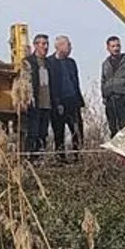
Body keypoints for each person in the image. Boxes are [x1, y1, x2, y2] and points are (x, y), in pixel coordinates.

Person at [49, 35, 85, 163]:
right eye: (68, 45)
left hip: (73, 101)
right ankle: (61, 159)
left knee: (77, 130)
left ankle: (78, 156)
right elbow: (52, 85)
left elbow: (76, 82)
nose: (70, 47)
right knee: (59, 132)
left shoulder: (71, 63)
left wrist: (80, 101)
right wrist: (57, 102)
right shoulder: (50, 62)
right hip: (58, 102)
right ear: (59, 46)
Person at [23, 34, 54, 157]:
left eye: (47, 44)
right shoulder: (28, 62)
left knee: (43, 134)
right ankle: (30, 157)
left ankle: (40, 157)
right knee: (32, 133)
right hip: (33, 104)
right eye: (43, 44)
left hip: (47, 104)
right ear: (35, 45)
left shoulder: (49, 63)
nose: (45, 47)